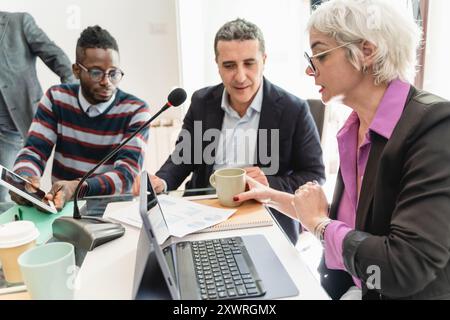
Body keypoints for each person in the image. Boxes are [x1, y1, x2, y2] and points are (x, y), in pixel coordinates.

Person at [235, 0, 450, 300]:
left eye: (320, 55)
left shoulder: (435, 126)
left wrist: (319, 225)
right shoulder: (356, 128)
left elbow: (404, 267)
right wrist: (269, 196)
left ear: (366, 51)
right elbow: (350, 225)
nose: (310, 71)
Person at [150, 18, 325, 245]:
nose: (240, 77)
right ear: (217, 64)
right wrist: (162, 182)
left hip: (265, 216)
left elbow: (315, 175)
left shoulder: (294, 109)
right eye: (229, 65)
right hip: (204, 214)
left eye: (249, 63)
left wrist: (268, 183)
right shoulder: (202, 101)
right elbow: (183, 157)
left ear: (264, 60)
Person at [11, 25, 150, 210]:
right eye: (96, 72)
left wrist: (77, 187)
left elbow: (126, 176)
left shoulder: (136, 110)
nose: (106, 82)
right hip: (65, 208)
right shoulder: (57, 98)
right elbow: (34, 151)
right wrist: (24, 177)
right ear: (76, 70)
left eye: (113, 73)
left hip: (114, 212)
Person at [0, 11, 75, 209]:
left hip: (14, 127)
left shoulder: (18, 22)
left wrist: (71, 95)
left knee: (10, 194)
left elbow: (55, 56)